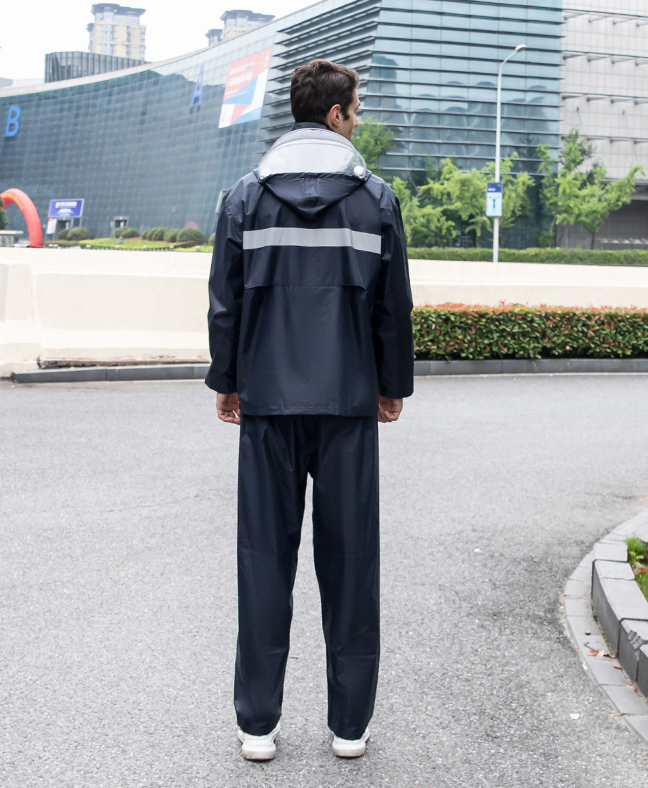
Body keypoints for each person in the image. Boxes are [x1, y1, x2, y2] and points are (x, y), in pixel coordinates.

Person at [206, 58, 414, 762]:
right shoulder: (376, 199)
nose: (357, 117)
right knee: (351, 563)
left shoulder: (243, 197)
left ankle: (258, 725)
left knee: (264, 559)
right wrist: (392, 384)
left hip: (267, 403)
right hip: (349, 404)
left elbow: (226, 304)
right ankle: (348, 727)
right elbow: (393, 307)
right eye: (355, 107)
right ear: (335, 114)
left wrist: (227, 382)